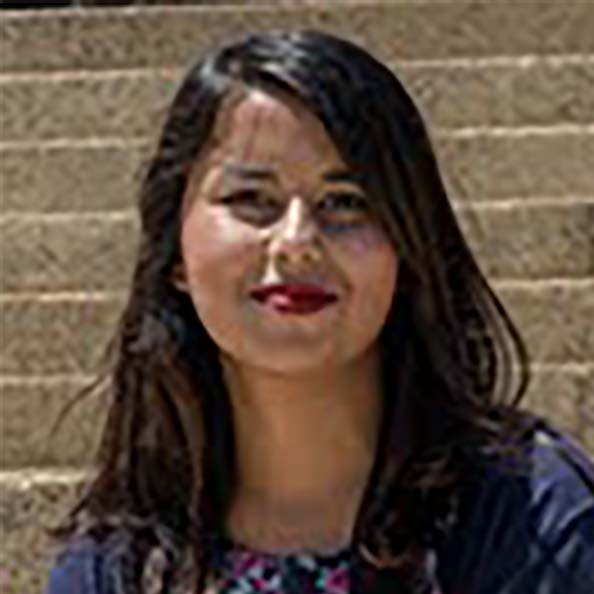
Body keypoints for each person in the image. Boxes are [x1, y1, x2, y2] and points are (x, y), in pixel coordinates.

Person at [43, 29, 594, 594]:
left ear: (406, 249)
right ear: (175, 255)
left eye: (346, 203)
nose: (296, 241)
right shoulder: (117, 566)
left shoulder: (530, 513)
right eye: (251, 199)